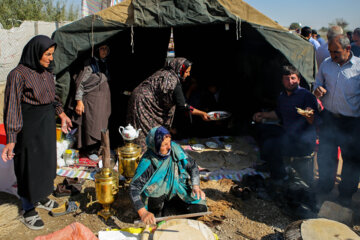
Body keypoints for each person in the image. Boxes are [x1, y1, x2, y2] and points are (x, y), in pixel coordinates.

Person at [1, 35, 72, 230]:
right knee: (29, 168)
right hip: (29, 128)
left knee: (46, 164)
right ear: (35, 53)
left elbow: (53, 98)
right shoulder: (18, 74)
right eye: (47, 54)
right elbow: (12, 108)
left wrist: (63, 115)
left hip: (47, 124)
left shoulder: (46, 72)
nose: (51, 58)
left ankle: (40, 197)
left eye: (52, 54)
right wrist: (12, 139)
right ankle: (27, 208)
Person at [313, 35, 360, 207]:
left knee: (351, 160)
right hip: (330, 118)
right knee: (326, 154)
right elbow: (317, 82)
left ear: (348, 50)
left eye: (336, 52)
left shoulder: (359, 68)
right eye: (331, 52)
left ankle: (346, 194)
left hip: (352, 122)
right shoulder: (326, 64)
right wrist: (317, 89)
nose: (332, 55)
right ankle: (324, 186)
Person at [126, 58, 210, 152]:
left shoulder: (165, 72)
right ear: (180, 70)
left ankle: (134, 153)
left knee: (137, 129)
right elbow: (183, 106)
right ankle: (143, 156)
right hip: (143, 103)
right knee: (146, 131)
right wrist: (202, 113)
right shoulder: (174, 82)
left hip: (137, 97)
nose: (188, 74)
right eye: (187, 72)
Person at [253, 66, 318, 184]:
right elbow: (279, 114)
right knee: (261, 129)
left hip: (302, 142)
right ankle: (270, 164)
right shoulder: (282, 96)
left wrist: (310, 116)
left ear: (298, 80)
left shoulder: (307, 96)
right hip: (288, 135)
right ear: (282, 81)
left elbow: (315, 121)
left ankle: (281, 177)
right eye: (287, 79)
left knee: (272, 145)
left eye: (293, 78)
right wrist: (263, 115)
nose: (290, 82)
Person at [129, 126, 207, 225]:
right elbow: (133, 187)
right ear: (155, 146)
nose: (169, 147)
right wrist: (143, 212)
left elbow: (192, 166)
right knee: (154, 215)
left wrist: (196, 186)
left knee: (200, 209)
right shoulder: (147, 162)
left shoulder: (175, 149)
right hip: (156, 195)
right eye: (164, 145)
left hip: (177, 189)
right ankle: (163, 211)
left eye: (169, 142)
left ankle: (169, 209)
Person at [68, 44, 111, 156]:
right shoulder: (90, 64)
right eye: (102, 48)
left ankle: (98, 148)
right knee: (91, 124)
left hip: (102, 101)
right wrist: (79, 101)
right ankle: (89, 149)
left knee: (101, 124)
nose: (104, 51)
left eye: (106, 49)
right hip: (92, 101)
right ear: (96, 50)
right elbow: (80, 83)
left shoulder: (104, 63)